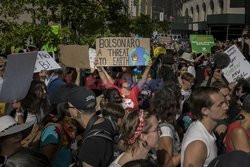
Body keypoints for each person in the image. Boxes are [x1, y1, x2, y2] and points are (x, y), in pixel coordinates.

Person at [63, 86, 115, 167]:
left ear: (77, 112)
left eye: (68, 106)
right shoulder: (107, 122)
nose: (67, 109)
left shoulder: (90, 145)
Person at [181, 87, 228, 167]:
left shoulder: (202, 128)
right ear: (205, 111)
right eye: (220, 105)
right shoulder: (198, 145)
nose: (226, 107)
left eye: (225, 102)